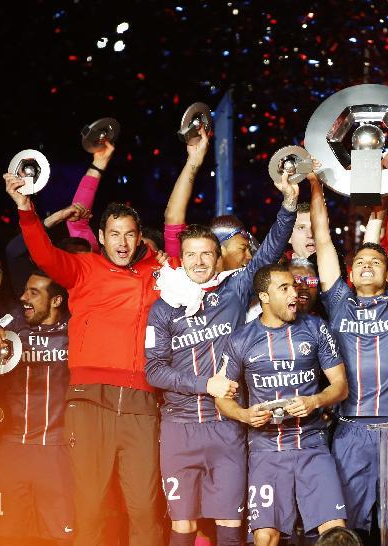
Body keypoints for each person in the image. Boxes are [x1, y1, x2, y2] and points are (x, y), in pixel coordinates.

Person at [3, 173, 165, 546]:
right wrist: (26, 208)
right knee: (90, 504)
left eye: (129, 234)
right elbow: (42, 254)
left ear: (139, 237)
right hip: (90, 400)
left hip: (141, 402)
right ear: (102, 237)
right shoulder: (83, 269)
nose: (122, 243)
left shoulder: (157, 273)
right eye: (114, 234)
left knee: (143, 506)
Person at [144, 168, 300, 546]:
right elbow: (153, 371)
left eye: (207, 255)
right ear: (180, 259)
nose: (199, 263)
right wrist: (205, 384)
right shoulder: (163, 308)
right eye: (192, 255)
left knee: (231, 525)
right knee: (182, 527)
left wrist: (289, 204)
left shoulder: (232, 291)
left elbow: (270, 250)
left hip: (226, 427)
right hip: (179, 429)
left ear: (219, 259)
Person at [310, 177, 388, 533]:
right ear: (350, 274)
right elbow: (323, 240)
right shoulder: (339, 302)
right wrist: (315, 185)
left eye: (375, 260)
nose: (367, 264)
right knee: (350, 527)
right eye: (360, 261)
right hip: (350, 430)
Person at [216, 264, 348, 545]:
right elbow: (222, 399)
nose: (296, 293)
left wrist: (315, 401)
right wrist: (244, 415)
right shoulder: (240, 339)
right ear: (264, 297)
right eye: (285, 288)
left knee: (336, 534)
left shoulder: (315, 327)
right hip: (267, 451)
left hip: (311, 446)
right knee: (266, 537)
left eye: (295, 286)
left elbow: (340, 386)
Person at [0, 270, 74, 544]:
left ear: (56, 301)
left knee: (61, 537)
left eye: (33, 293)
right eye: (25, 290)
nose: (23, 297)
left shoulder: (75, 327)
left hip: (57, 449)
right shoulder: (11, 320)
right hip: (13, 446)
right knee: (8, 535)